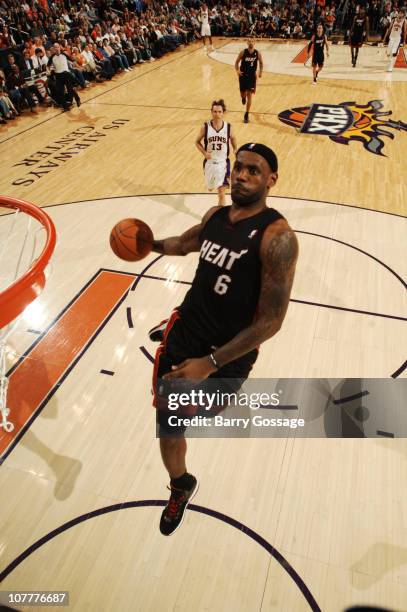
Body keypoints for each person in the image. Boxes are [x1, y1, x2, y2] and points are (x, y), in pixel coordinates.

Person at [149, 142, 298, 536]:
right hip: (186, 335)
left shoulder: (277, 237)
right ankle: (181, 485)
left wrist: (210, 364)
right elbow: (182, 244)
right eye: (239, 167)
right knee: (168, 424)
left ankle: (197, 373)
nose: (242, 175)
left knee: (203, 414)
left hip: (227, 356)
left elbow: (271, 321)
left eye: (253, 170)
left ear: (271, 180)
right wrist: (145, 244)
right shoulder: (216, 215)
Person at [195, 99, 237, 207]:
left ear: (223, 113)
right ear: (211, 112)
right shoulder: (205, 127)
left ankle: (220, 218)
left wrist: (235, 149)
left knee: (221, 193)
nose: (217, 114)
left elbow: (233, 138)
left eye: (219, 112)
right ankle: (211, 184)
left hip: (223, 163)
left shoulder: (228, 127)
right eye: (215, 112)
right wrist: (204, 153)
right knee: (210, 187)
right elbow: (197, 142)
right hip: (209, 162)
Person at [235, 39, 263, 123]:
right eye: (249, 41)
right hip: (243, 75)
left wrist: (260, 72)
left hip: (252, 76)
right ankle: (243, 98)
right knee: (242, 94)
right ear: (247, 43)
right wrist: (237, 71)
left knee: (249, 95)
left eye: (252, 41)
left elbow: (261, 63)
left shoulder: (257, 53)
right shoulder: (243, 52)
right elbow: (236, 62)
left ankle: (246, 114)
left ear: (254, 43)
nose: (251, 42)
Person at [48, 42, 81, 110]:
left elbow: (72, 60)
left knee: (70, 89)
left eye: (57, 47)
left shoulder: (64, 54)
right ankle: (65, 106)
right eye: (55, 47)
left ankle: (77, 98)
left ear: (59, 47)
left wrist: (76, 63)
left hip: (66, 74)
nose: (56, 48)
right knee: (60, 92)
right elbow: (47, 66)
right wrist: (49, 71)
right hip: (58, 76)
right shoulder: (52, 57)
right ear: (53, 49)